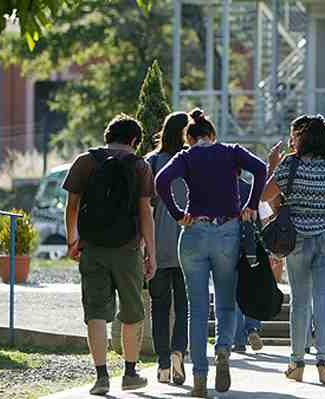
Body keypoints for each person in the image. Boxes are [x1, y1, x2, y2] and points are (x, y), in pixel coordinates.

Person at [155, 108, 266, 396]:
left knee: (197, 309)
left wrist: (179, 214)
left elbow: (161, 182)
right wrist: (251, 204)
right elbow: (261, 169)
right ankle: (223, 349)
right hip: (227, 232)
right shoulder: (231, 151)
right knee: (227, 303)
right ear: (212, 134)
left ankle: (200, 377)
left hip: (194, 233)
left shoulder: (186, 156)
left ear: (189, 138)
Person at [262, 114, 325, 385]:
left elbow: (263, 196)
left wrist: (273, 168)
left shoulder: (290, 164)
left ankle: (296, 362)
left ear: (300, 137)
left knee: (300, 301)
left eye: (294, 135)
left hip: (298, 239)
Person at [63, 114, 156, 395]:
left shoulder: (85, 161)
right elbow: (145, 213)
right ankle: (130, 372)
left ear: (108, 136)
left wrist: (73, 241)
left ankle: (101, 378)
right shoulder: (140, 166)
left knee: (95, 312)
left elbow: (71, 207)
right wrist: (151, 251)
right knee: (132, 312)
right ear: (134, 141)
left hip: (92, 248)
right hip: (128, 250)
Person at [145, 112, 190, 385]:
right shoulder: (192, 161)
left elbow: (145, 206)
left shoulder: (151, 161)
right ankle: (178, 353)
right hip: (189, 243)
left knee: (159, 307)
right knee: (184, 305)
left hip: (158, 243)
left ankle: (162, 364)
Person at [232, 173, 264, 353]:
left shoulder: (219, 188)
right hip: (249, 244)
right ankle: (252, 327)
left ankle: (239, 341)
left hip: (228, 245)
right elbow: (259, 219)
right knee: (250, 290)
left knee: (234, 294)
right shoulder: (250, 189)